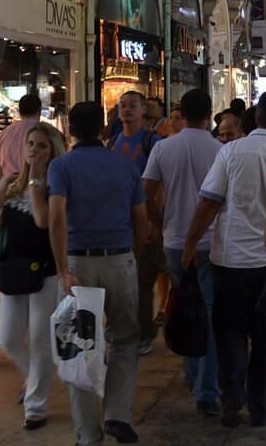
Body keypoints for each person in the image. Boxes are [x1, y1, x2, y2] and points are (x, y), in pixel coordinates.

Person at [182, 89, 266, 429]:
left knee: (230, 334)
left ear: (257, 118)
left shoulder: (231, 152)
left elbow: (209, 202)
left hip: (230, 262)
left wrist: (191, 244)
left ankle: (232, 398)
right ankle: (263, 408)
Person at [48, 101, 148, 445]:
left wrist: (62, 268)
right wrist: (132, 253)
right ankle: (118, 414)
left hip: (78, 263)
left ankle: (88, 434)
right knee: (125, 339)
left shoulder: (61, 167)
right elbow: (141, 219)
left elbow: (57, 216)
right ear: (105, 129)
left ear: (71, 130)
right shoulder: (125, 166)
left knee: (80, 346)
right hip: (120, 258)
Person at [142, 88, 223, 416]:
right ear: (208, 115)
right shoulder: (221, 150)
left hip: (175, 241)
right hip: (213, 242)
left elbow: (145, 192)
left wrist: (159, 221)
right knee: (210, 313)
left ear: (182, 114)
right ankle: (207, 389)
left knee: (183, 307)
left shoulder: (164, 148)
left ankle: (191, 373)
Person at [0, 122, 65, 431]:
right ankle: (33, 377)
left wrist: (35, 182)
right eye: (31, 145)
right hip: (13, 270)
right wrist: (1, 189)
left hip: (45, 271)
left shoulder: (55, 185)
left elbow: (41, 221)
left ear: (53, 152)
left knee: (39, 339)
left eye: (42, 146)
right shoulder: (14, 183)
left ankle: (36, 404)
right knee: (8, 338)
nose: (34, 150)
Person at [109, 91, 162, 355]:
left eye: (132, 105)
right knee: (120, 280)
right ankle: (124, 327)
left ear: (144, 111)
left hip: (146, 219)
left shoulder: (152, 141)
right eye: (123, 105)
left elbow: (160, 183)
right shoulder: (113, 142)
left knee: (142, 279)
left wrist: (155, 220)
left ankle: (144, 331)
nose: (126, 110)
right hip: (120, 221)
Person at [0, 92, 43, 177]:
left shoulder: (5, 133)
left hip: (8, 186)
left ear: (19, 112)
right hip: (36, 185)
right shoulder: (44, 133)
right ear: (39, 111)